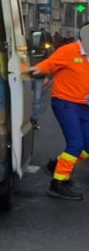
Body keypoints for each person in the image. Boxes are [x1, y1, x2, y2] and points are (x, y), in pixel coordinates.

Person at [30, 23, 89, 200]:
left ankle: (56, 166)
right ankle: (58, 183)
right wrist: (30, 71)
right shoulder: (68, 51)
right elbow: (47, 65)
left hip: (85, 106)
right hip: (66, 103)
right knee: (76, 144)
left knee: (86, 147)